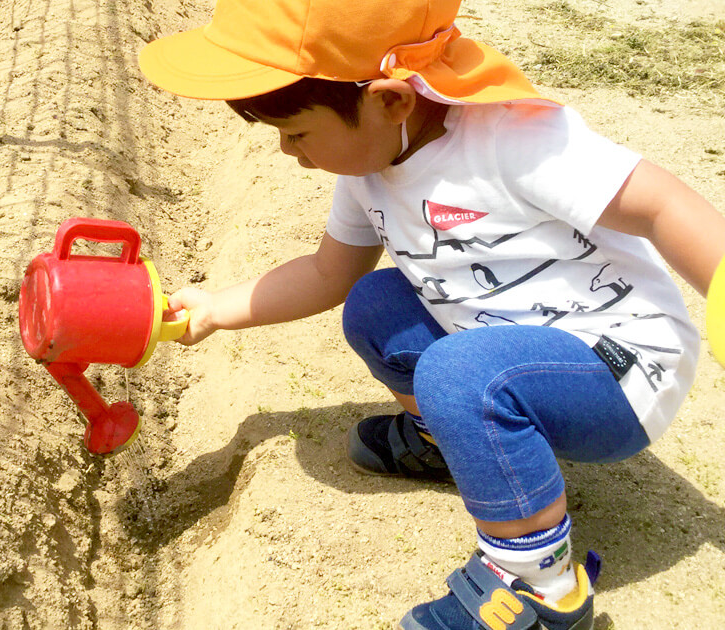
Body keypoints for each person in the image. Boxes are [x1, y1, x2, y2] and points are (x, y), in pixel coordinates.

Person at [138, 0, 725, 628]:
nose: (287, 151)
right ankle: (455, 443)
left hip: (619, 375)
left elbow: (664, 206)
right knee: (375, 305)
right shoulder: (370, 166)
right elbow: (327, 274)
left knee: (459, 373)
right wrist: (213, 311)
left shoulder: (515, 139)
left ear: (389, 101)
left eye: (297, 132)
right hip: (504, 350)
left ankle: (540, 588)